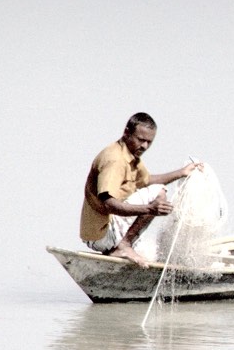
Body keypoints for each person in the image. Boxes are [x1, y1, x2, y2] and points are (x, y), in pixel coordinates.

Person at [79, 112, 203, 267]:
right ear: (127, 133)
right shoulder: (115, 160)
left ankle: (124, 246)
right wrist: (149, 209)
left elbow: (146, 180)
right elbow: (108, 204)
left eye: (149, 142)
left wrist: (181, 172)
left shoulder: (130, 155)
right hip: (101, 234)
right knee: (159, 191)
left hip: (102, 233)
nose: (144, 146)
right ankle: (124, 246)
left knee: (156, 189)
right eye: (140, 140)